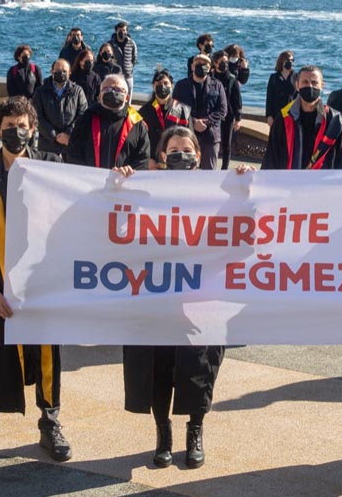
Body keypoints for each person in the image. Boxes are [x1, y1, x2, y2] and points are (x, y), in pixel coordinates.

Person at [0, 97, 72, 464]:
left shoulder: (52, 167)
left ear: (33, 129)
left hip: (40, 283)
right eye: (9, 126)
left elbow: (85, 207)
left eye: (23, 126)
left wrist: (119, 181)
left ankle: (50, 422)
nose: (16, 132)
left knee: (46, 355)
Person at [119, 125, 228, 469]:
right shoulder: (145, 188)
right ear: (163, 156)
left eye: (188, 149)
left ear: (199, 154)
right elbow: (117, 226)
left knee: (200, 365)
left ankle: (195, 430)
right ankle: (163, 431)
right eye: (174, 149)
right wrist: (119, 185)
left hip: (201, 294)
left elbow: (247, 230)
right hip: (157, 292)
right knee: (158, 363)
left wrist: (244, 187)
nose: (182, 154)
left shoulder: (219, 190)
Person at [262, 66, 342, 170]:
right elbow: (271, 158)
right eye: (305, 82)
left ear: (322, 86)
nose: (310, 86)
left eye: (314, 83)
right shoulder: (283, 118)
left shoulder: (335, 120)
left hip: (323, 184)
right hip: (290, 183)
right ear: (297, 86)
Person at [67, 74, 151, 170]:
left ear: (127, 97)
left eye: (118, 90)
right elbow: (74, 153)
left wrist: (129, 172)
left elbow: (143, 159)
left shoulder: (136, 123)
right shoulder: (86, 118)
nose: (113, 92)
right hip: (91, 181)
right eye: (107, 89)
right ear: (99, 96)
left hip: (123, 181)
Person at [173, 53, 227, 170]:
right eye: (198, 64)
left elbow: (222, 110)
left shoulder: (217, 85)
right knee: (187, 171)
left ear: (210, 68)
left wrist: (206, 122)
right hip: (187, 136)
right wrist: (193, 122)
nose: (201, 66)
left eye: (204, 64)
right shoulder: (181, 86)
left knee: (209, 174)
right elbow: (176, 109)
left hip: (211, 136)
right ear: (192, 66)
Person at [32, 58, 89, 156]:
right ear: (51, 71)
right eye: (57, 71)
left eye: (64, 71)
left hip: (71, 143)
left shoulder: (77, 91)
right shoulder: (40, 91)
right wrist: (54, 136)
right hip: (47, 144)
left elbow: (83, 114)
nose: (61, 73)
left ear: (70, 73)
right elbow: (37, 116)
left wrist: (68, 134)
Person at [138, 69, 191, 168]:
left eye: (166, 83)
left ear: (171, 86)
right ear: (153, 86)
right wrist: (147, 160)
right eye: (159, 83)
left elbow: (190, 141)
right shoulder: (143, 112)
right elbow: (138, 141)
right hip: (152, 164)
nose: (162, 86)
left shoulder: (184, 110)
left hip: (177, 163)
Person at [211, 50, 243, 170]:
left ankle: (224, 168)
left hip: (228, 116)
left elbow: (237, 100)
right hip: (213, 115)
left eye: (226, 61)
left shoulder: (232, 79)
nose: (224, 64)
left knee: (226, 144)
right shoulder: (210, 77)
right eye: (221, 62)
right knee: (212, 143)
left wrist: (238, 118)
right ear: (215, 63)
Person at [102, 21, 138, 94]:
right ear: (116, 31)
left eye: (124, 30)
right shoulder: (110, 44)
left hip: (128, 74)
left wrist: (129, 67)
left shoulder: (131, 43)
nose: (122, 32)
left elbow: (134, 57)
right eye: (120, 30)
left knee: (128, 96)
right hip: (116, 75)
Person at [265, 50, 298, 127]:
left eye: (292, 60)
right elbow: (269, 97)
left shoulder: (296, 77)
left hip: (291, 114)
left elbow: (298, 96)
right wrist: (269, 115)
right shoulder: (274, 77)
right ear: (282, 61)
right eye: (288, 60)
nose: (290, 62)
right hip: (277, 114)